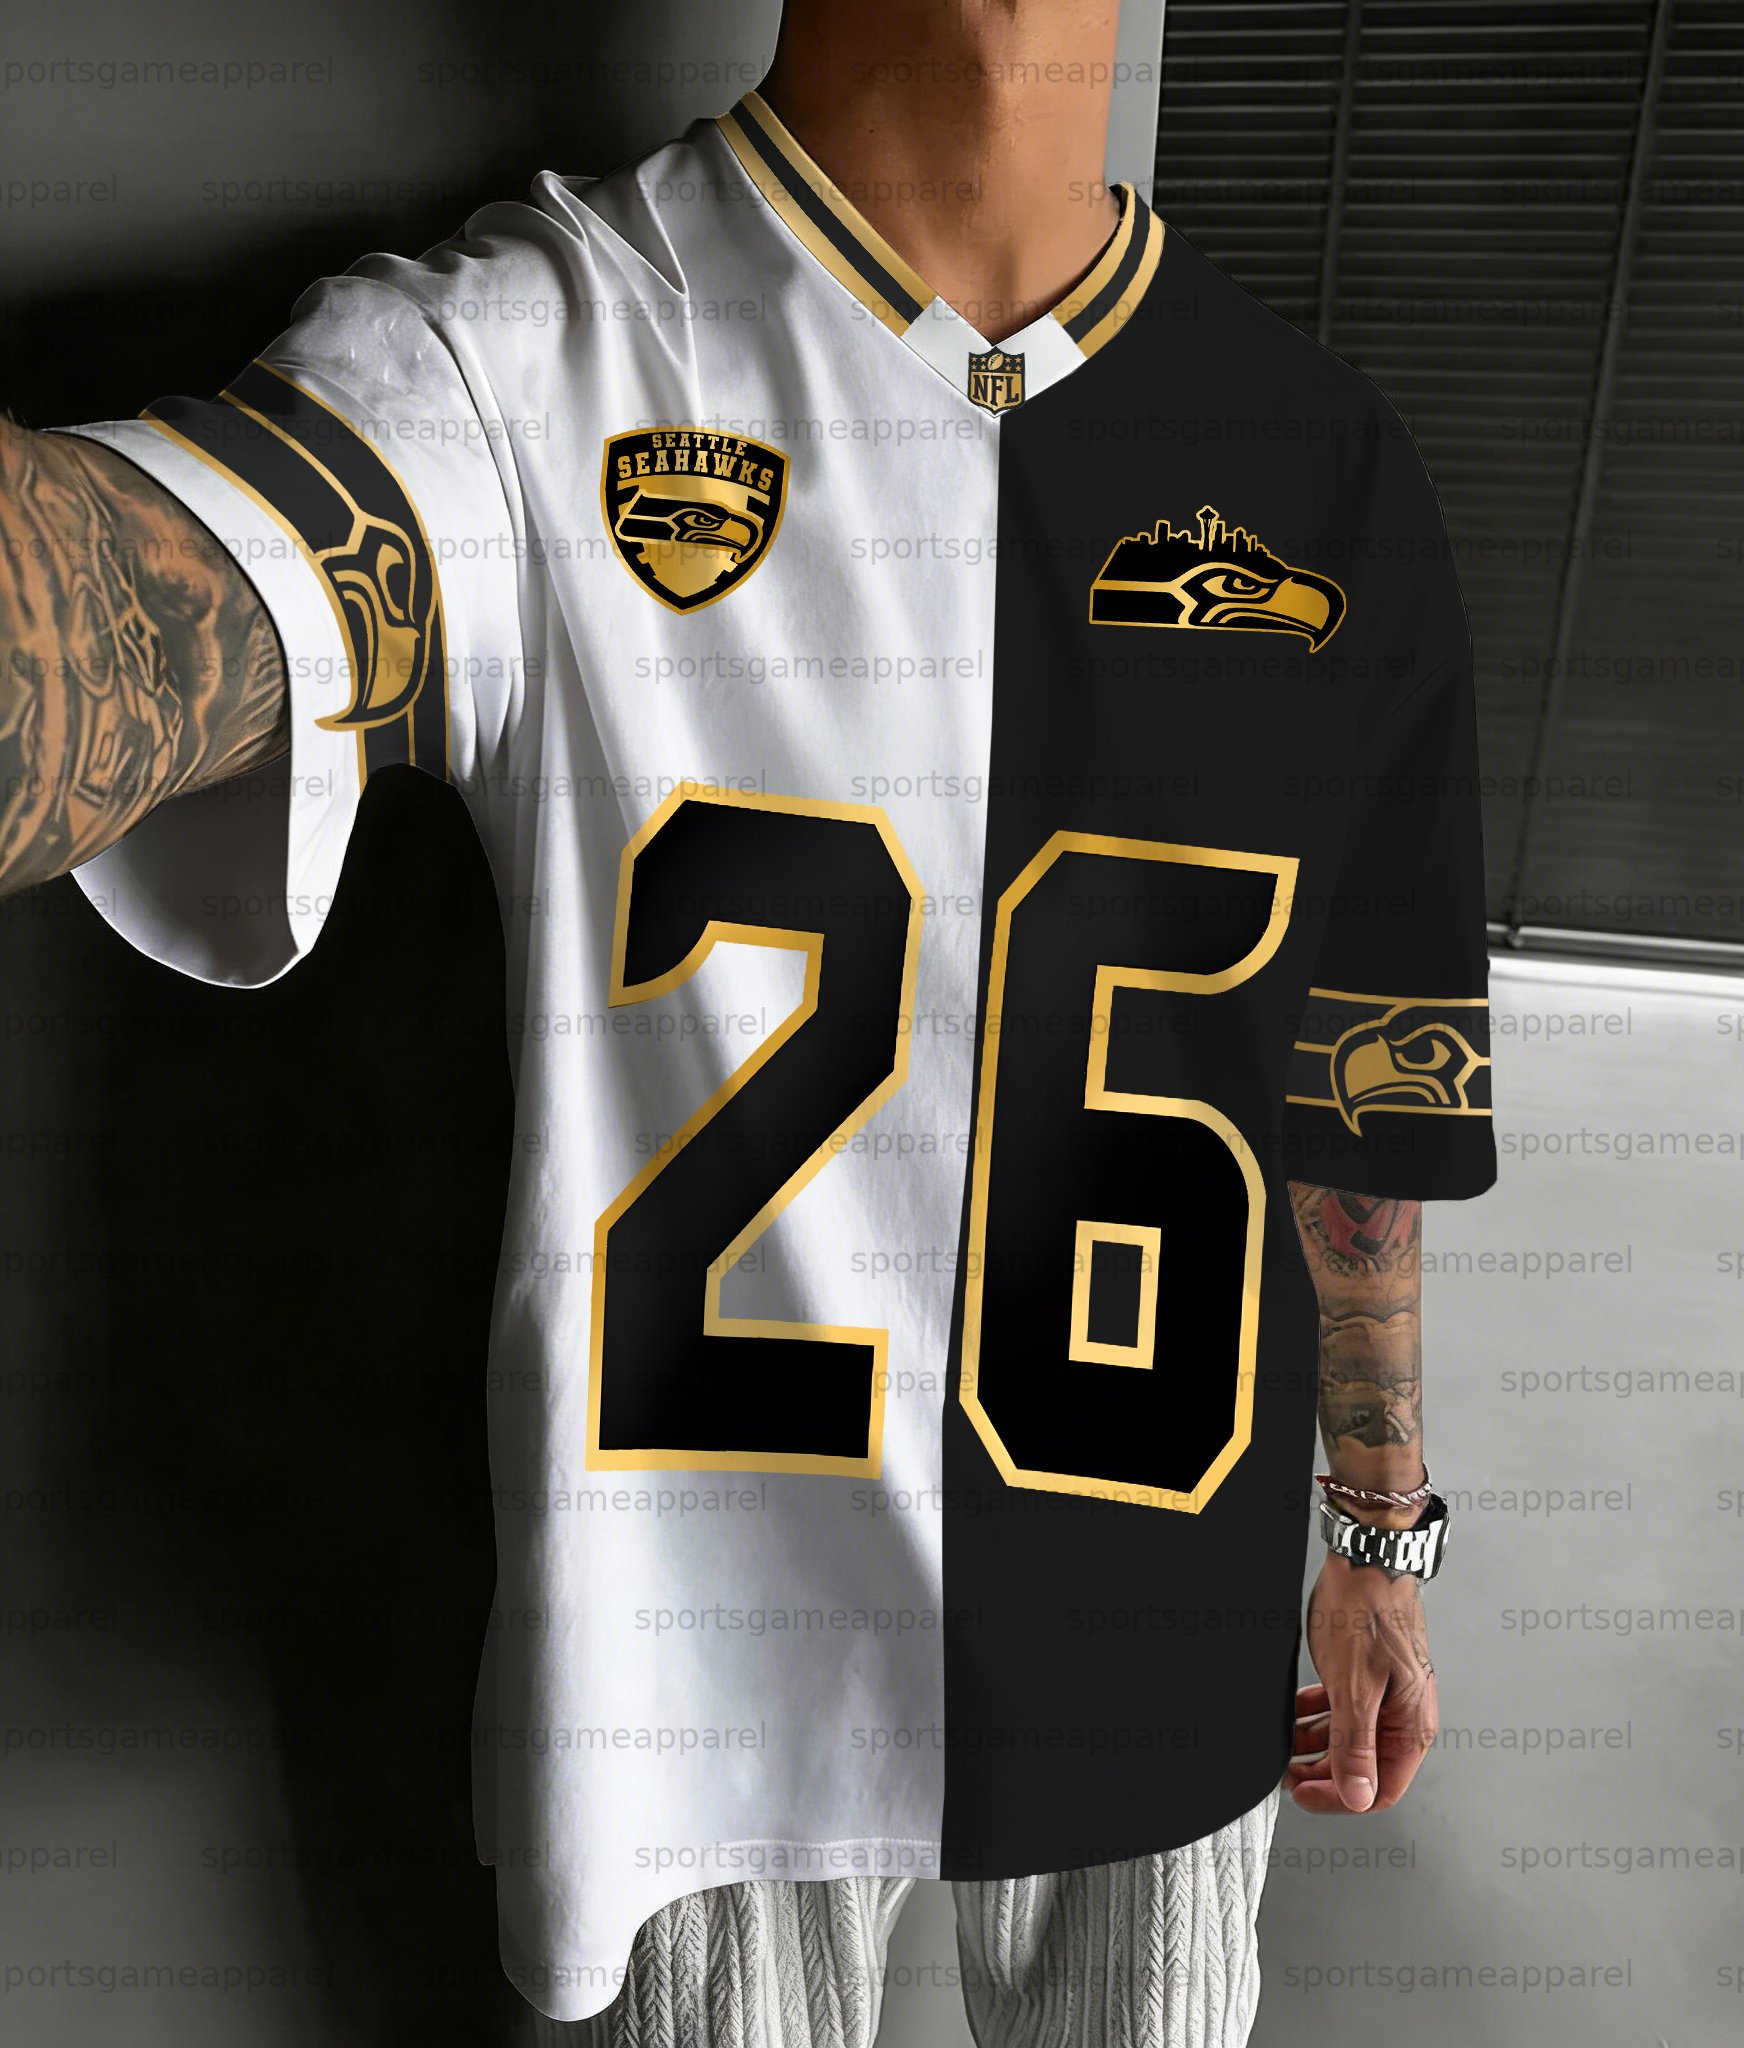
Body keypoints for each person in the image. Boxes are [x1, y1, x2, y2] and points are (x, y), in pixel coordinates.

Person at [0, 2, 1495, 2042]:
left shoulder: (1325, 467)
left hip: (1161, 1593)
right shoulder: (525, 364)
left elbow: (1355, 1092)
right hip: (706, 1672)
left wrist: (1382, 1529)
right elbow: (123, 606)